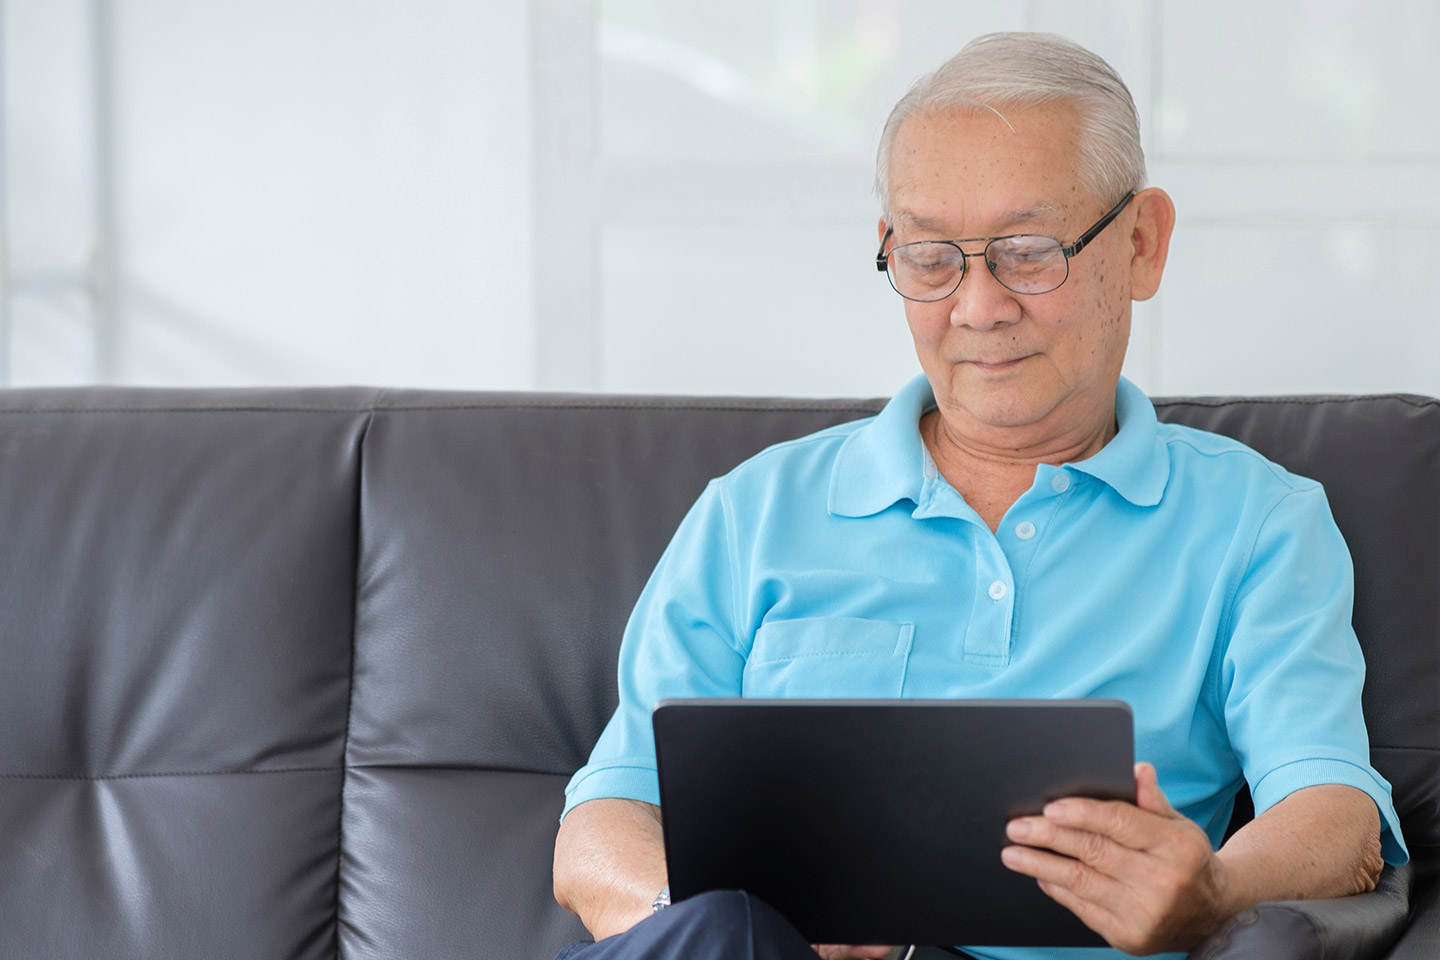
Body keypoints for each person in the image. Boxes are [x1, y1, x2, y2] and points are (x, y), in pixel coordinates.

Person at [550, 31, 1408, 960]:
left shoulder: (1258, 523)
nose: (978, 306)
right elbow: (602, 827)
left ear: (1142, 245)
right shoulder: (752, 512)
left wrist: (1212, 890)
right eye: (930, 257)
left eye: (1029, 251)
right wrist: (730, 926)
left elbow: (1336, 815)